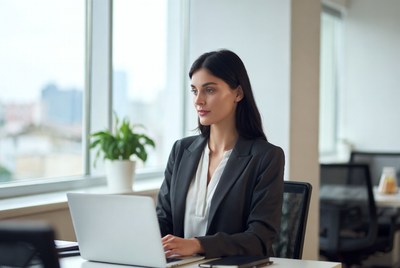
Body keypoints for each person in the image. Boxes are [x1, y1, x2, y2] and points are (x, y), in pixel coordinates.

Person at [156, 49, 285, 259]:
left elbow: (259, 239)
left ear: (238, 93)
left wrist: (197, 245)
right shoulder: (181, 151)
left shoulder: (266, 157)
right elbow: (162, 220)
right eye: (194, 91)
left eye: (209, 90)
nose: (198, 100)